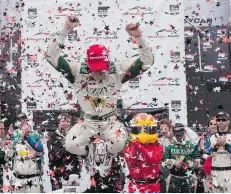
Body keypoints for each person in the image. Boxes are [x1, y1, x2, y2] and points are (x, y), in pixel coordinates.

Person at [46, 15, 154, 163]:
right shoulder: (76, 71)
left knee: (120, 142)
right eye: (95, 69)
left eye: (102, 68)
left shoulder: (117, 70)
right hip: (87, 122)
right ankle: (90, 156)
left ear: (107, 62)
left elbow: (147, 62)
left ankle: (106, 156)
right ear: (88, 64)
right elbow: (51, 57)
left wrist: (138, 37)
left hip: (110, 122)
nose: (99, 72)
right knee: (70, 144)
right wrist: (66, 28)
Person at [123, 113, 163, 193]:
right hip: (134, 186)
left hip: (152, 186)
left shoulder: (158, 146)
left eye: (147, 129)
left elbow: (153, 160)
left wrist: (139, 146)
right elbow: (131, 161)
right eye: (139, 129)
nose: (144, 133)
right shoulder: (130, 145)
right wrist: (135, 145)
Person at [47, 113, 82, 191]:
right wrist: (70, 144)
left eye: (68, 121)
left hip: (73, 174)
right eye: (63, 121)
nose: (66, 123)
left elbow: (80, 153)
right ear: (59, 122)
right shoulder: (52, 137)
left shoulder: (75, 136)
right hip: (58, 176)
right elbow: (57, 155)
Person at [162, 123, 201, 193]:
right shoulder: (169, 146)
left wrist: (190, 163)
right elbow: (163, 162)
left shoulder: (192, 145)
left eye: (181, 134)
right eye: (177, 135)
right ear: (173, 133)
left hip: (189, 179)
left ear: (185, 132)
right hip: (173, 179)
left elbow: (199, 163)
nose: (179, 137)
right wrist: (173, 162)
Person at [204, 111, 231, 193]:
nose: (220, 122)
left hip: (229, 172)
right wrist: (216, 146)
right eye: (218, 120)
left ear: (228, 121)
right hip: (214, 173)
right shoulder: (210, 137)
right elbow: (205, 152)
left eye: (223, 120)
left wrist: (226, 145)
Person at [10, 123, 44, 193]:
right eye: (23, 131)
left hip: (34, 179)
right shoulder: (15, 141)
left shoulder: (34, 140)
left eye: (28, 131)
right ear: (20, 131)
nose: (25, 133)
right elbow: (8, 156)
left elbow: (40, 150)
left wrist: (28, 138)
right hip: (19, 179)